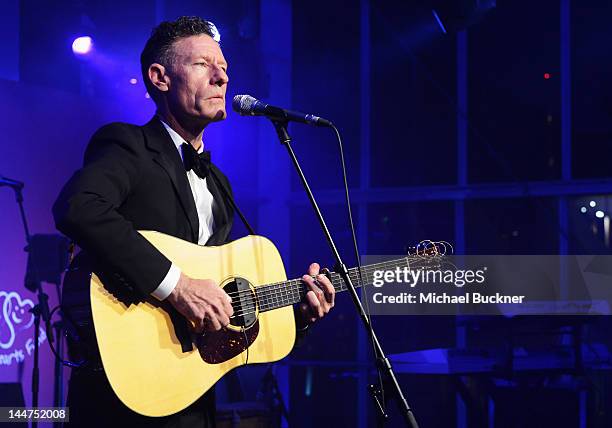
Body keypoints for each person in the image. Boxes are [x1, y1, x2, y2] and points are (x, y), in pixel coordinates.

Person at [53, 16, 335, 428]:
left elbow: (223, 310)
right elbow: (78, 206)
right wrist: (177, 286)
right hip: (119, 399)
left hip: (192, 396)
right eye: (204, 65)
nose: (222, 77)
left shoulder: (220, 185)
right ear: (160, 77)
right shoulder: (128, 145)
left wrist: (299, 317)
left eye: (224, 68)